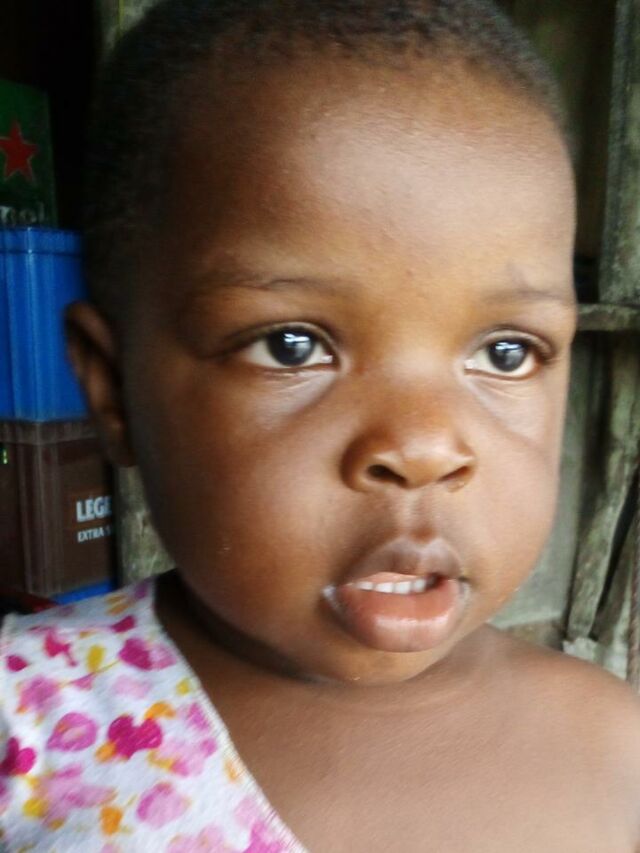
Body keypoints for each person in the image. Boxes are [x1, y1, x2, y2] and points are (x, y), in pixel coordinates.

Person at [2, 0, 640, 850]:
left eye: (506, 352)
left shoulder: (617, 751)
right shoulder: (26, 722)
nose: (424, 448)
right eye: (292, 345)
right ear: (113, 390)